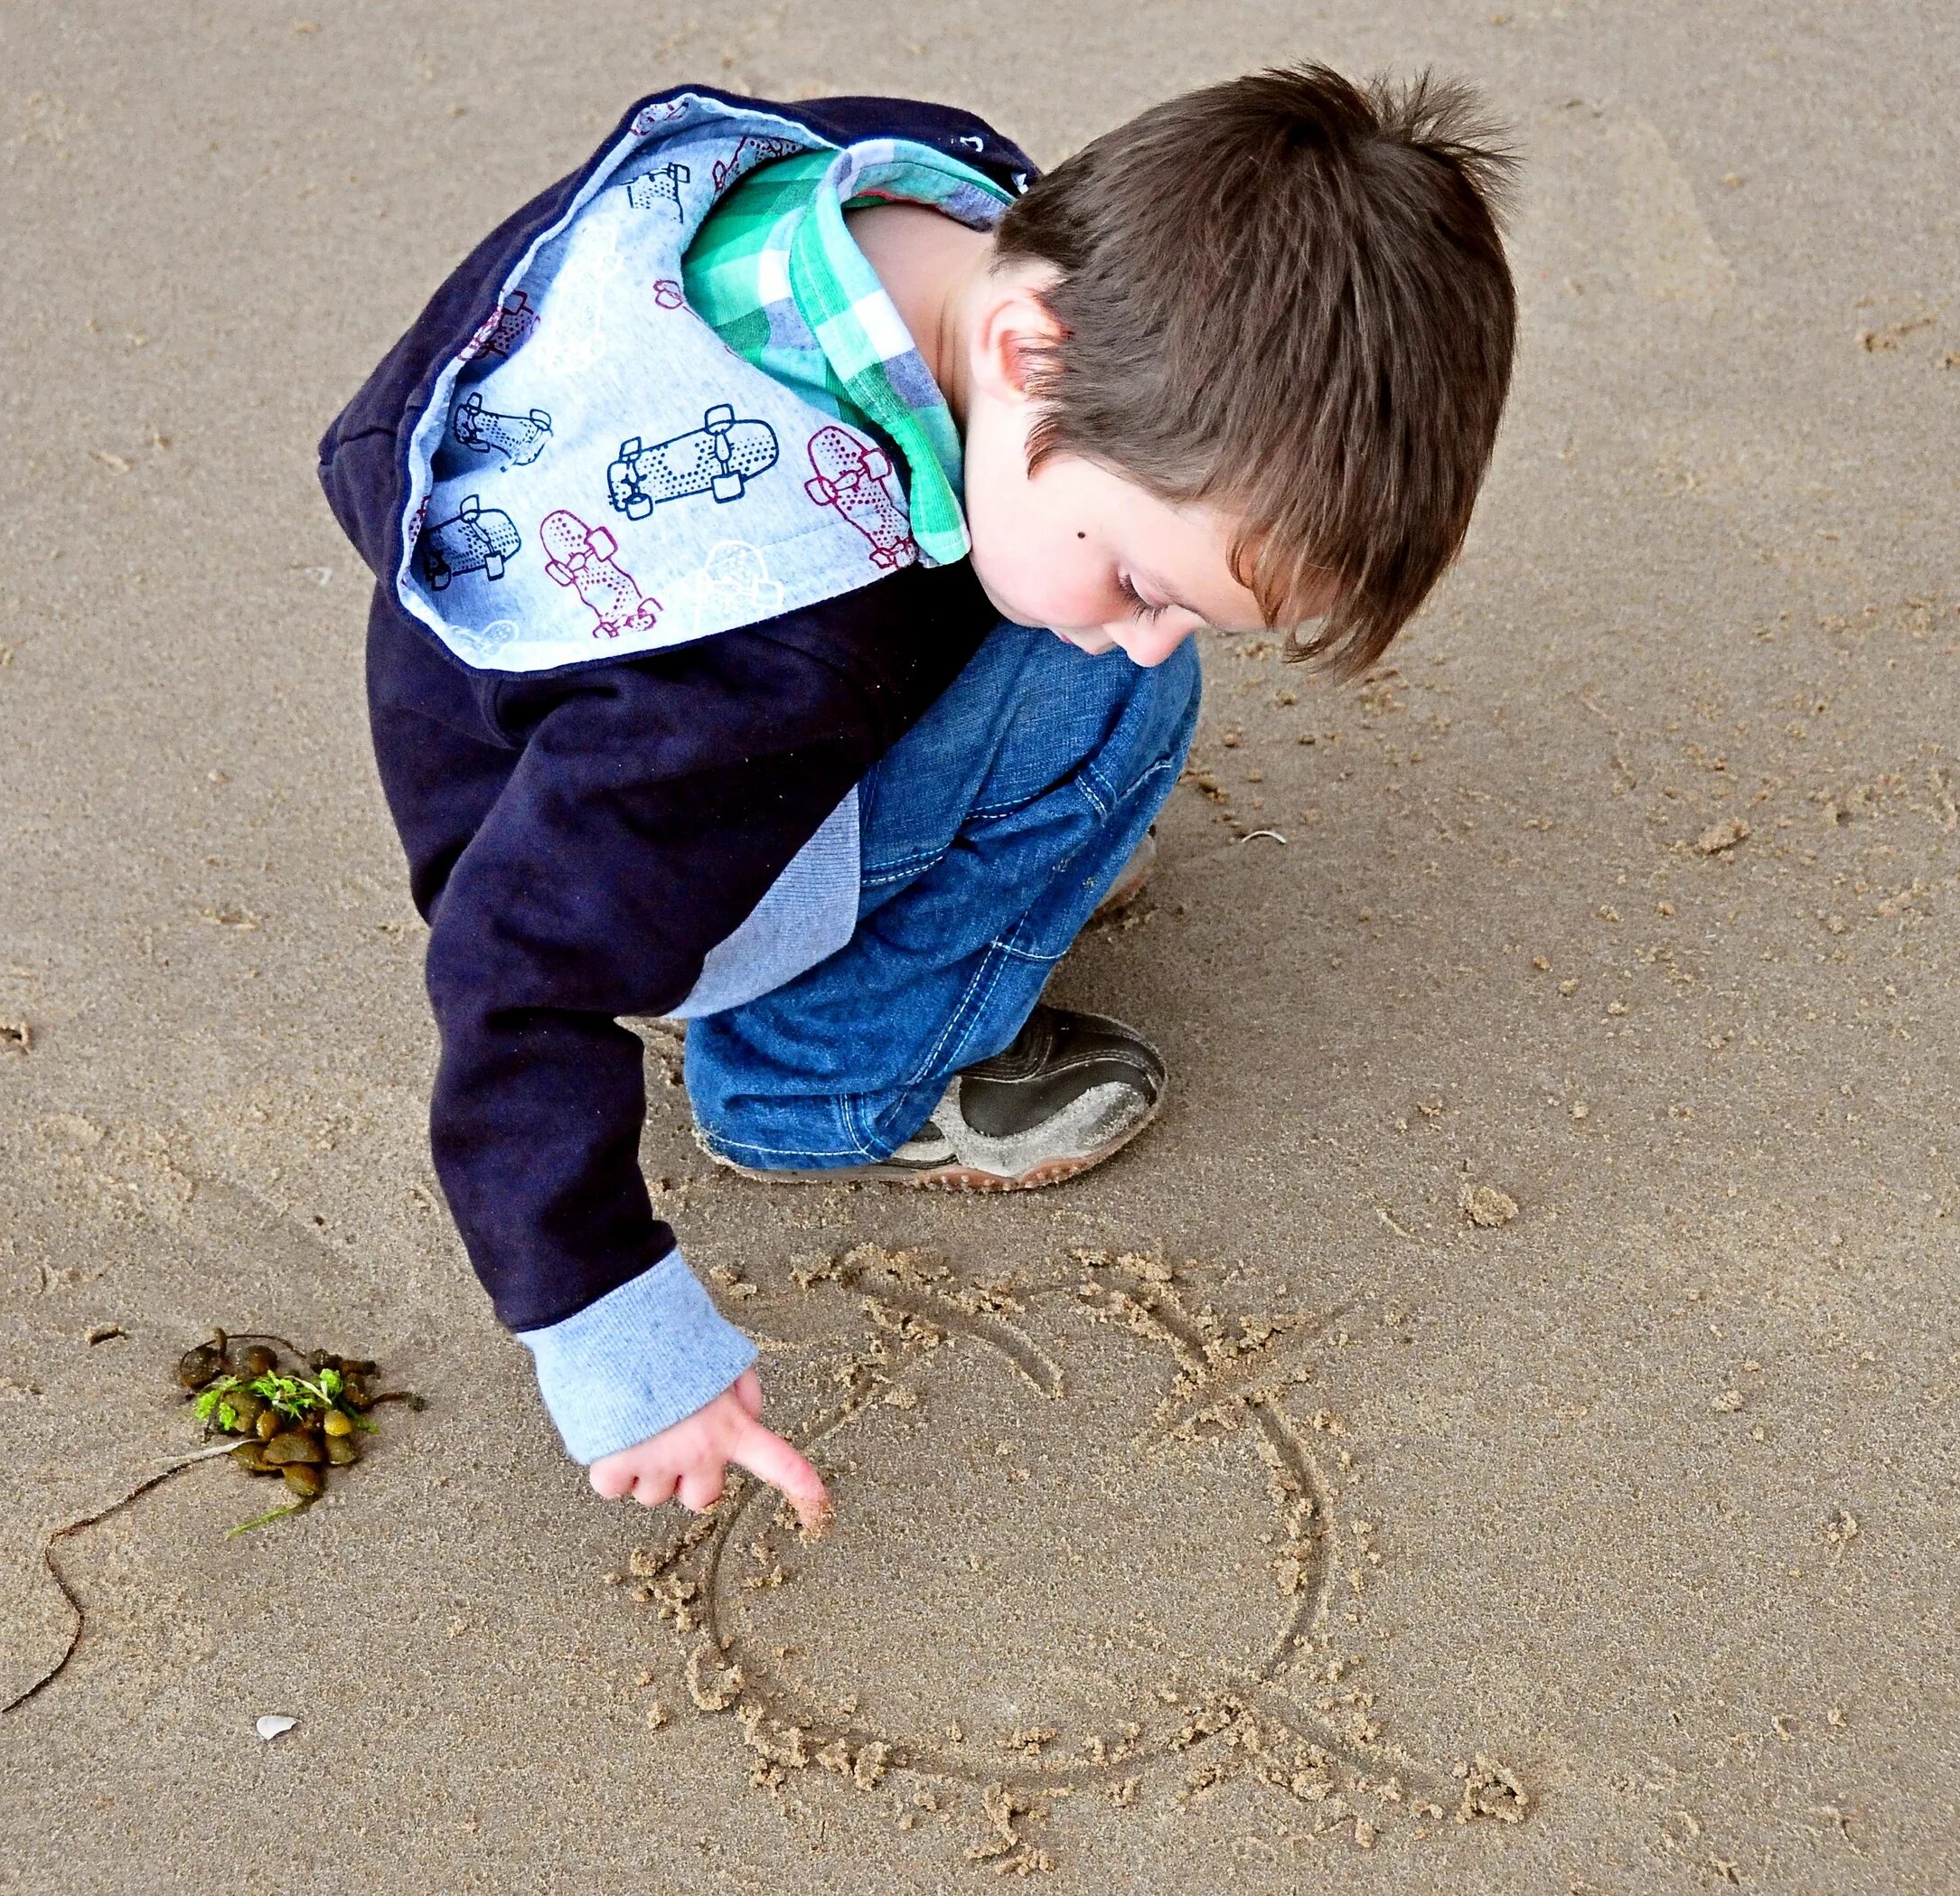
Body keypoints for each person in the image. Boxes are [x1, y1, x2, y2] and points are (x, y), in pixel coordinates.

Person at [316, 65, 1518, 1529]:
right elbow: (513, 973)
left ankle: (898, 878)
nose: (1152, 623)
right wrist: (618, 1337)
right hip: (608, 837)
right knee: (1111, 707)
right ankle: (818, 1078)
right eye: (1146, 578)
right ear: (1028, 347)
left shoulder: (924, 178)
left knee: (1062, 634)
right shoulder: (774, 644)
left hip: (523, 692)